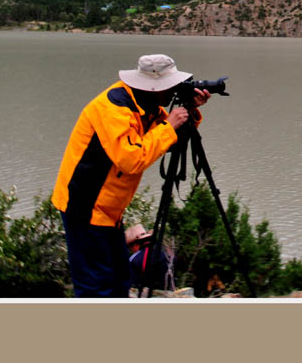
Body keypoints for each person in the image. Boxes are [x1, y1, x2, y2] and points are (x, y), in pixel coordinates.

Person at [52, 54, 210, 297]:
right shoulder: (113, 108)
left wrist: (190, 112)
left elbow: (159, 142)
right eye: (170, 86)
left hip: (108, 211)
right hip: (85, 208)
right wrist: (169, 126)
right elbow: (131, 160)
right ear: (153, 86)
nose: (174, 90)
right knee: (96, 288)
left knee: (119, 282)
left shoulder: (145, 106)